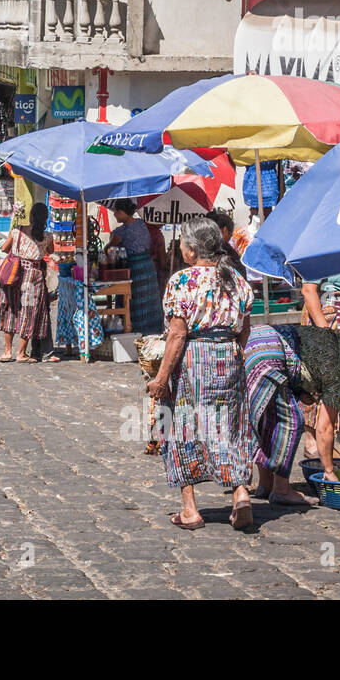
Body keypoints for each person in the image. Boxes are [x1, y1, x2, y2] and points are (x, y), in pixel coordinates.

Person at [147, 217, 255, 530]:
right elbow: (244, 331)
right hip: (229, 358)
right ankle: (240, 493)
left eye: (182, 242)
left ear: (192, 250)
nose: (180, 247)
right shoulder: (236, 279)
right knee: (229, 427)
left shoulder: (183, 281)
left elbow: (177, 335)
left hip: (193, 359)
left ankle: (191, 510)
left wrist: (161, 378)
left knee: (183, 429)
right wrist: (232, 354)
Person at [243, 324, 340, 506]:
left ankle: (266, 485)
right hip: (271, 351)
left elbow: (309, 363)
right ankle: (281, 490)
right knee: (291, 422)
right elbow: (324, 428)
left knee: (267, 419)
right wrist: (329, 471)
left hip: (255, 339)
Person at [0, 202, 54, 363]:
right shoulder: (47, 236)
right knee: (29, 313)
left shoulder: (17, 231)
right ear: (46, 218)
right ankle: (21, 353)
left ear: (31, 216)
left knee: (11, 310)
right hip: (34, 276)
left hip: (15, 274)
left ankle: (7, 352)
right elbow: (51, 251)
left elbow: (4, 249)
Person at [109, 198, 166, 334]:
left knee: (133, 303)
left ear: (122, 212)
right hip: (148, 267)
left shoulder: (120, 233)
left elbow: (108, 250)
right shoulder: (142, 224)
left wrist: (111, 241)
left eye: (116, 212)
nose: (114, 214)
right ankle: (152, 333)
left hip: (134, 269)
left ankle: (135, 333)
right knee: (150, 303)